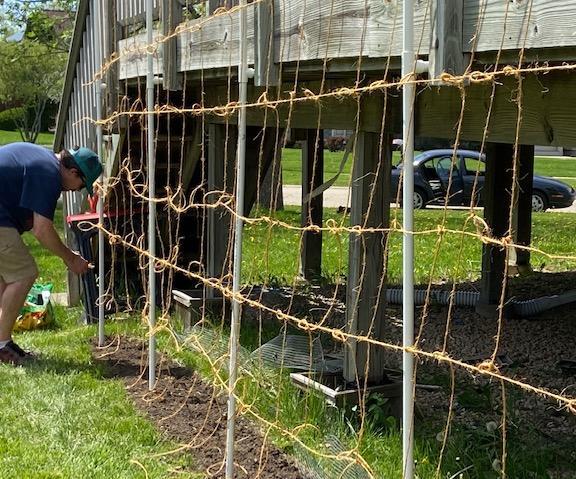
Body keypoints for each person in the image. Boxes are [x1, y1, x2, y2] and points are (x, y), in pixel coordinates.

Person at [0, 142, 103, 365]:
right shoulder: (48, 173)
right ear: (74, 172)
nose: (75, 191)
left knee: (5, 281)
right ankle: (2, 344)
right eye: (80, 185)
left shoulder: (43, 160)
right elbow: (42, 229)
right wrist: (72, 259)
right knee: (23, 274)